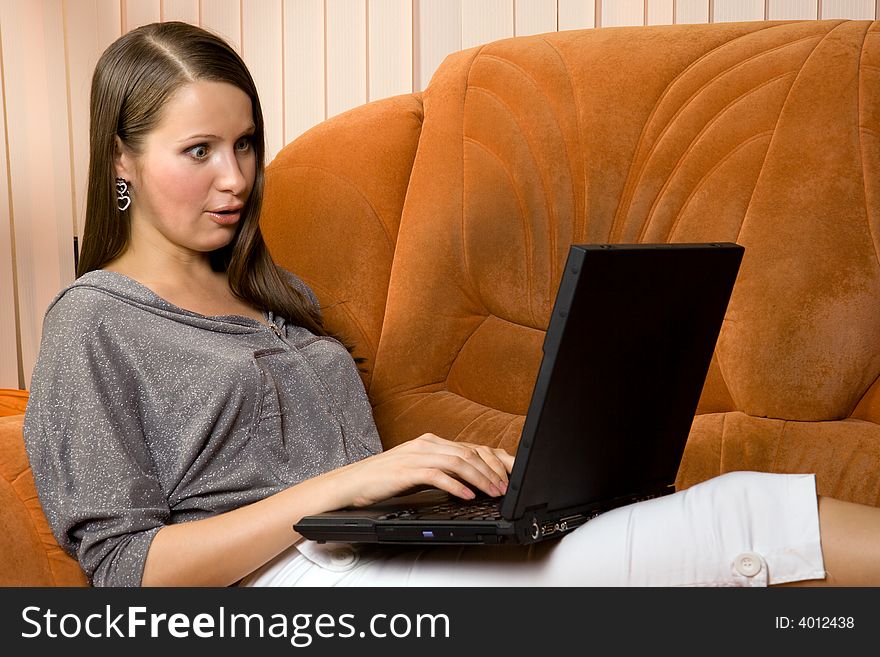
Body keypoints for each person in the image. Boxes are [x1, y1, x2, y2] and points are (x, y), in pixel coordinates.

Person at [22, 21, 880, 588]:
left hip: (374, 559)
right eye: (198, 149)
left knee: (693, 519)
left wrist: (456, 494)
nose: (237, 178)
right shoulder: (93, 322)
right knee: (739, 514)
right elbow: (126, 569)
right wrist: (354, 481)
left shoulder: (277, 298)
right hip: (284, 591)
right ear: (120, 162)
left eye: (246, 144)